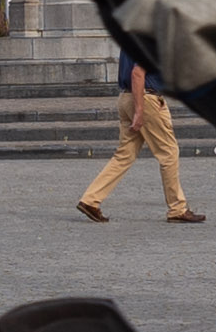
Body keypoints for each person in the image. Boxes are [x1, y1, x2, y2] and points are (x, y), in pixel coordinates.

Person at [73, 46, 201, 223]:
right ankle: (177, 209)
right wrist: (139, 111)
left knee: (124, 155)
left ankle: (90, 200)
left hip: (126, 98)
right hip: (145, 98)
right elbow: (138, 73)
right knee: (168, 153)